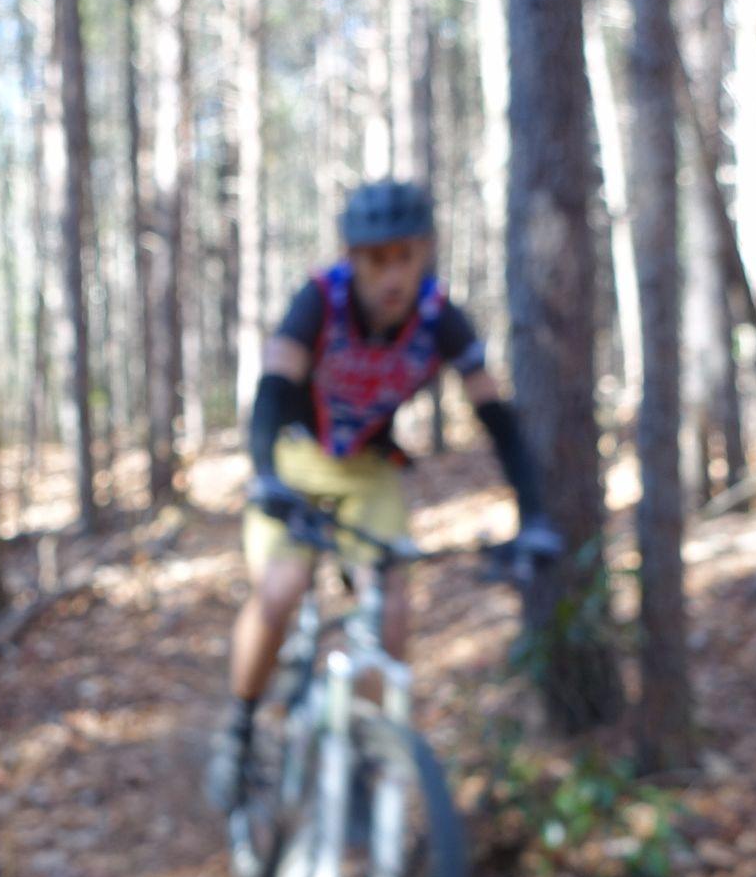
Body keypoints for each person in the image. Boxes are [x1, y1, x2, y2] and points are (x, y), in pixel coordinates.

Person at [206, 179, 561, 814]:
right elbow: (272, 387)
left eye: (405, 256)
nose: (391, 275)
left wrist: (532, 516)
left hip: (369, 470)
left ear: (425, 252)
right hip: (296, 459)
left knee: (391, 611)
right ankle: (239, 726)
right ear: (352, 256)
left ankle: (366, 762)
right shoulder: (318, 300)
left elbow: (497, 419)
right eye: (376, 258)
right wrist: (264, 473)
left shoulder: (441, 319)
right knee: (281, 591)